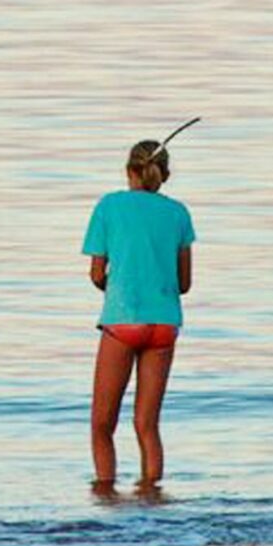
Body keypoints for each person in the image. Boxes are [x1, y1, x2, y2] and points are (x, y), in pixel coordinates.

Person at [83, 138, 196, 493]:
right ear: (164, 174)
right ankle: (152, 500)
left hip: (122, 321)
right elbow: (184, 283)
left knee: (102, 424)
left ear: (129, 171)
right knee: (147, 425)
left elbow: (97, 274)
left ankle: (106, 500)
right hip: (164, 325)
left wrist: (115, 288)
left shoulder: (109, 206)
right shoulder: (178, 213)